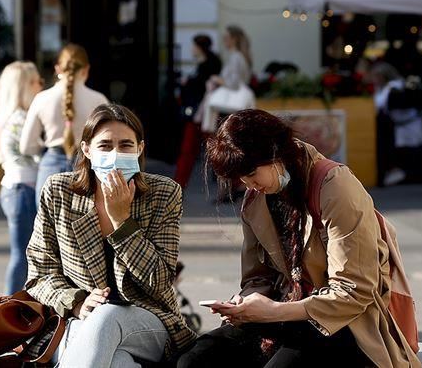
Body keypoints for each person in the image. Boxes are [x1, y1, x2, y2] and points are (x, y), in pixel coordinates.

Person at [177, 109, 420, 368]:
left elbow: (353, 291)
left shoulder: (335, 186)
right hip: (284, 315)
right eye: (241, 179)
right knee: (193, 360)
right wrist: (244, 305)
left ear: (275, 153)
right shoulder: (255, 199)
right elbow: (258, 278)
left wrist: (274, 311)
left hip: (346, 325)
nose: (248, 185)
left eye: (251, 174)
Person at [25, 104, 196, 367]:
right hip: (75, 321)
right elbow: (40, 274)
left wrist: (122, 222)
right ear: (87, 150)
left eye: (126, 146)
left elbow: (159, 281)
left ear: (139, 149)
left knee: (106, 317)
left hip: (147, 320)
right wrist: (76, 303)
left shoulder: (163, 193)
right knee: (117, 362)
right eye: (105, 146)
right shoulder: (59, 191)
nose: (115, 154)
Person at [20, 44, 108, 202]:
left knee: (47, 217)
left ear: (58, 69)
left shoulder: (42, 99)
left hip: (50, 167)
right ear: (86, 69)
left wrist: (43, 147)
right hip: (87, 168)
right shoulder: (99, 100)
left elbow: (26, 146)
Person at [0, 61, 43, 295]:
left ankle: (12, 304)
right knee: (23, 255)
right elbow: (37, 154)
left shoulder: (9, 117)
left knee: (22, 255)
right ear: (23, 87)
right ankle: (9, 306)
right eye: (36, 81)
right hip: (23, 189)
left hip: (16, 188)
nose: (41, 85)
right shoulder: (21, 119)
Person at [174, 35, 222, 188]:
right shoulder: (206, 64)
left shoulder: (208, 66)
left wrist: (188, 82)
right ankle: (179, 183)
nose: (192, 49)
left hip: (202, 114)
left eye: (194, 46)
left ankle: (179, 183)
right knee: (213, 148)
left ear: (199, 47)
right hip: (202, 113)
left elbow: (204, 90)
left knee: (194, 150)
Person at [197, 25, 255, 133]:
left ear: (234, 39)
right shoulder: (238, 56)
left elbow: (234, 84)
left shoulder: (236, 57)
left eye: (226, 37)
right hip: (232, 104)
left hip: (229, 105)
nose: (223, 40)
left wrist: (216, 79)